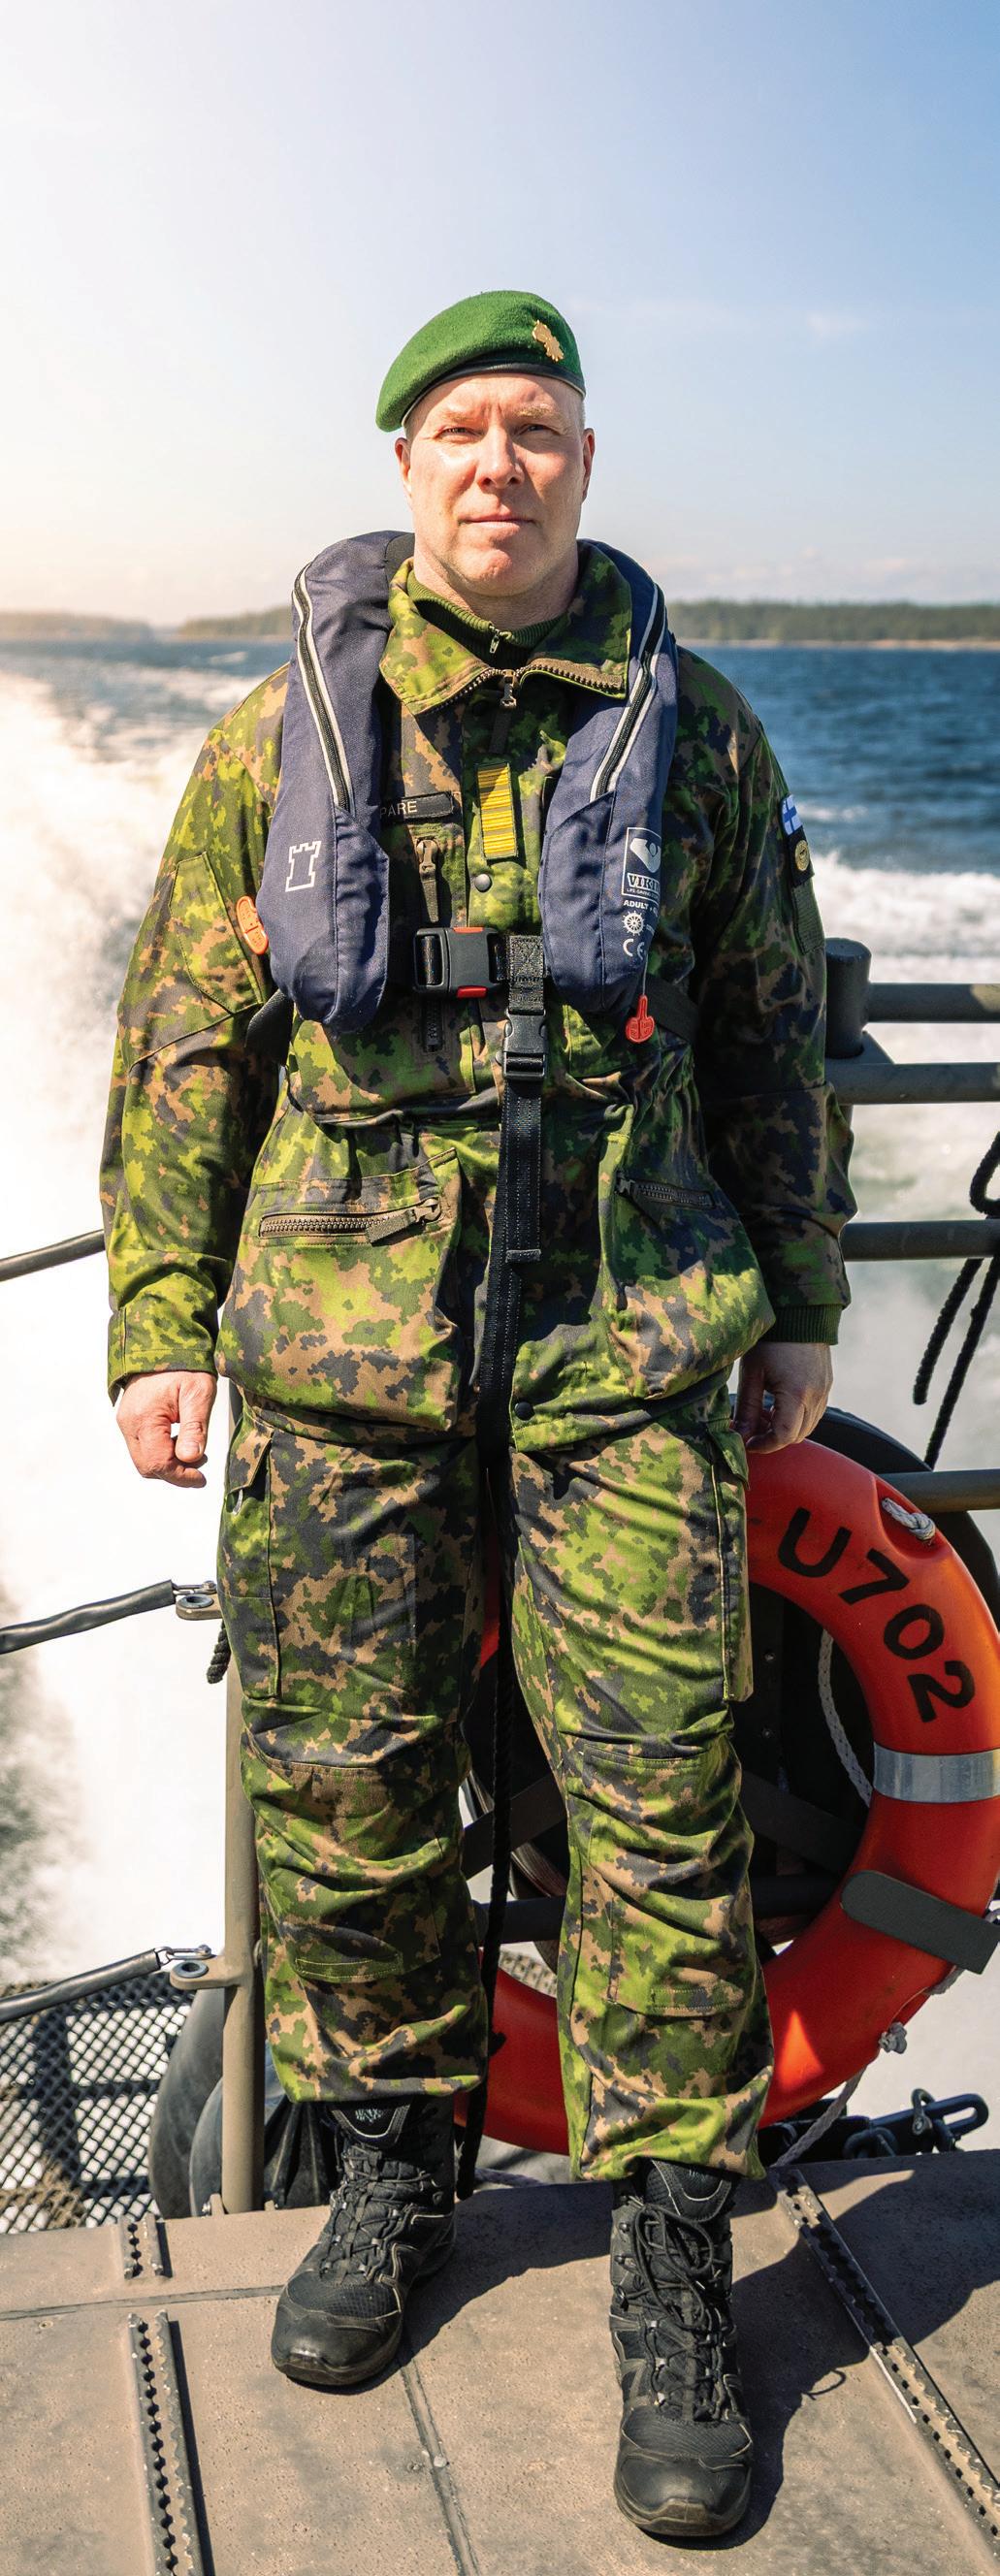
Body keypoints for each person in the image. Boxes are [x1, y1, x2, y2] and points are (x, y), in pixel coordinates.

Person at [102, 288, 853, 2543]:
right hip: (341, 1347)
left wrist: (801, 1301)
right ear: (409, 467)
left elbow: (766, 1027)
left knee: (661, 1800)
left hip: (627, 1338)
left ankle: (671, 2254)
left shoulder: (695, 733)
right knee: (345, 1784)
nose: (498, 466)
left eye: (535, 428)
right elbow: (188, 1036)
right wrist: (159, 1318)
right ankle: (399, 2166)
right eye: (461, 432)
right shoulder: (286, 735)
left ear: (585, 466)